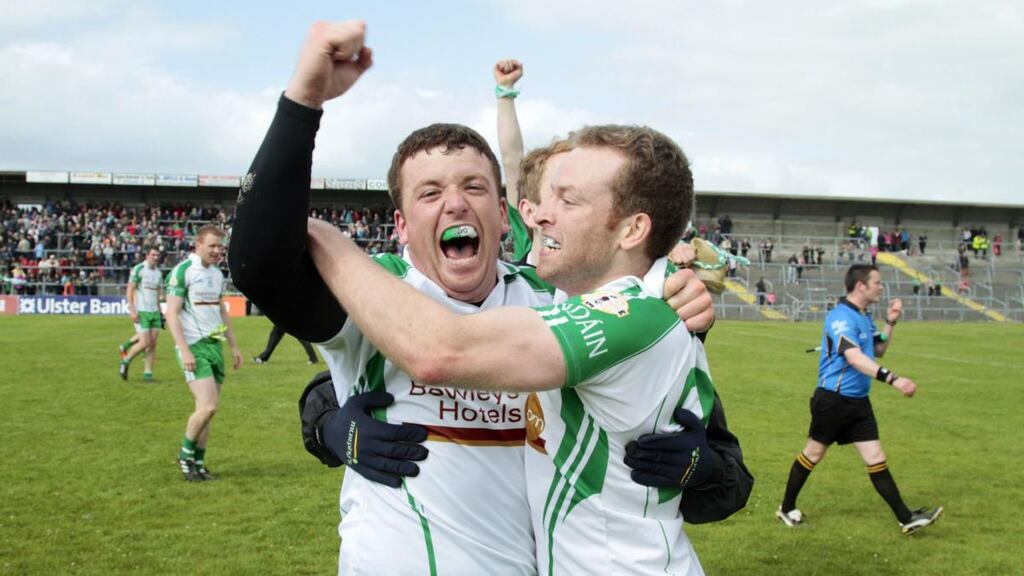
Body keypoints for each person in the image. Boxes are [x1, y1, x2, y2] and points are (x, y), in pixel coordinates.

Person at [229, 21, 740, 576]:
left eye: (473, 187)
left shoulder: (561, 302)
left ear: (502, 213)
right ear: (400, 224)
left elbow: (719, 465)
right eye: (430, 193)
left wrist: (705, 465)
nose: (454, 204)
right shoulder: (376, 293)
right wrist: (328, 423)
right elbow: (260, 267)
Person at [307, 121, 712, 574]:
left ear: (632, 229)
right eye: (543, 198)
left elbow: (440, 351)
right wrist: (325, 421)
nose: (537, 214)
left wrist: (326, 241)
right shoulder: (565, 299)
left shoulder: (634, 314)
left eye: (568, 200)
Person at [776, 264, 942, 535]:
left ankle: (906, 518)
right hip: (833, 399)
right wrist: (894, 379)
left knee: (875, 456)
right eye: (877, 282)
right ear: (860, 285)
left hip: (858, 402)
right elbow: (854, 357)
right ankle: (786, 507)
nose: (881, 286)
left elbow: (878, 349)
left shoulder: (864, 316)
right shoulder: (839, 317)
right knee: (814, 453)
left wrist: (891, 322)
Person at [165, 225, 243, 481]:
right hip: (194, 346)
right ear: (197, 245)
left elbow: (222, 311)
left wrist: (233, 346)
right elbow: (172, 314)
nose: (217, 250)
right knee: (208, 406)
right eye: (211, 246)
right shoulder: (184, 271)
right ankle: (185, 456)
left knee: (209, 410)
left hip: (214, 344)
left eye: (220, 246)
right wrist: (185, 350)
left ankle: (199, 463)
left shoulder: (217, 274)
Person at [118, 246, 164, 381]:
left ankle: (148, 374)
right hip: (142, 311)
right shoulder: (139, 269)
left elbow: (156, 293)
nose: (156, 257)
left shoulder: (159, 273)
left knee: (153, 344)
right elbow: (130, 289)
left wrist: (160, 312)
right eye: (153, 255)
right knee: (144, 343)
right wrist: (132, 309)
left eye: (157, 255)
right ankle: (125, 361)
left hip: (154, 312)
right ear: (147, 255)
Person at [252, 321, 319, 365]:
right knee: (301, 337)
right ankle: (313, 358)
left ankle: (263, 357)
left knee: (275, 335)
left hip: (286, 316)